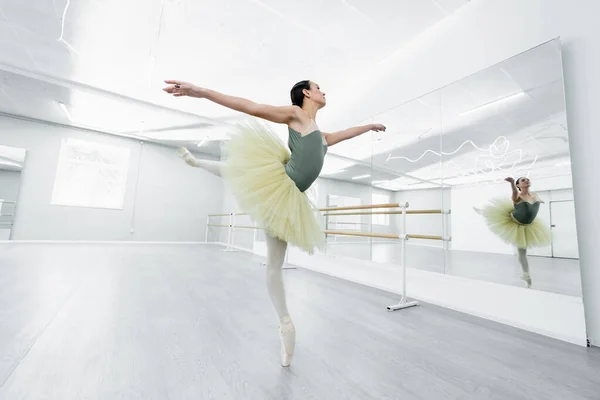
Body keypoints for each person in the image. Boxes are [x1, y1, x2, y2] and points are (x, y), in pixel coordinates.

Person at [162, 79, 386, 366]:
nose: (324, 91)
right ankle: (286, 324)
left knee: (274, 263)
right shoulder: (295, 114)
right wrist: (201, 92)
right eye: (319, 87)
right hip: (280, 188)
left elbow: (342, 134)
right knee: (270, 258)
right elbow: (251, 107)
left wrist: (368, 127)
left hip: (290, 196)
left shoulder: (319, 133)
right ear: (306, 93)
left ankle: (284, 327)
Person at [474, 177, 551, 288]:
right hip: (514, 222)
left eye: (527, 179)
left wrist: (540, 201)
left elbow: (534, 205)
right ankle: (482, 211)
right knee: (494, 215)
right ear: (518, 185)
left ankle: (525, 275)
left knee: (522, 252)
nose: (527, 181)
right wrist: (511, 183)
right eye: (523, 180)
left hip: (528, 226)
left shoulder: (535, 196)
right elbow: (514, 191)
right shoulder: (517, 196)